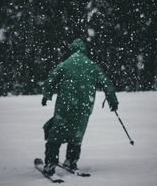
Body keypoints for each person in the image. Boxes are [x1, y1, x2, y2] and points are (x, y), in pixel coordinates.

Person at [41, 38, 119, 176]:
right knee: (77, 133)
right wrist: (112, 101)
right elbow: (106, 83)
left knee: (56, 132)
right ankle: (71, 161)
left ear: (72, 49)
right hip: (84, 106)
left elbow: (51, 78)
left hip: (65, 105)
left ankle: (50, 162)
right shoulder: (92, 65)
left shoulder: (66, 64)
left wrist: (46, 94)